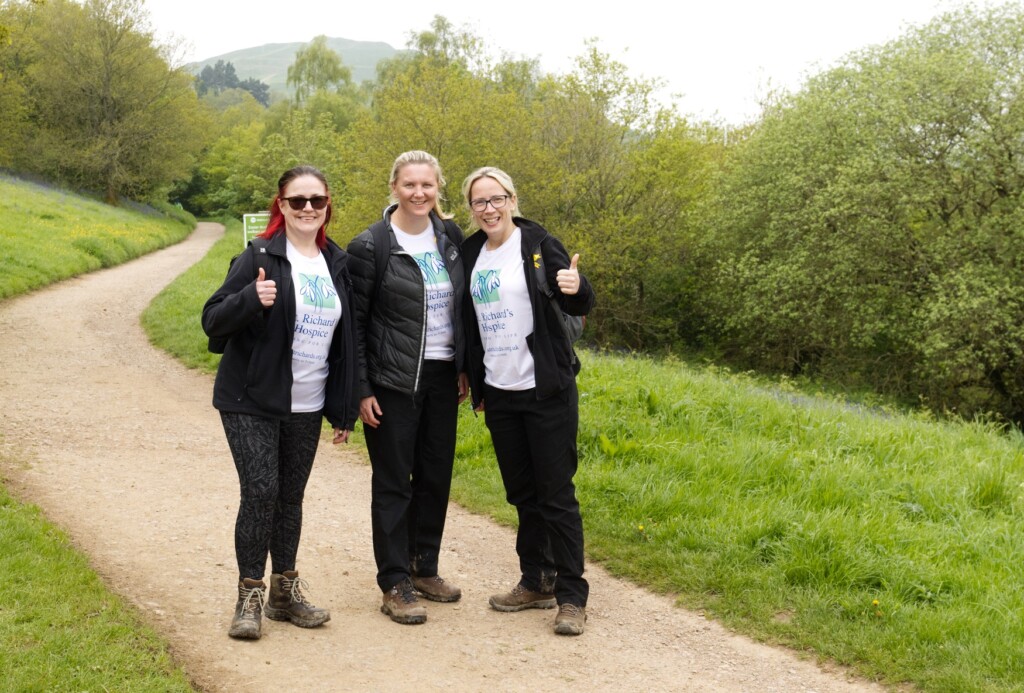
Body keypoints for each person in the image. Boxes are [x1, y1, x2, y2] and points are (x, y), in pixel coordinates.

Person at [202, 165, 358, 640]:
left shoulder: (337, 261)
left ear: (327, 205)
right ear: (281, 206)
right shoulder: (258, 256)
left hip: (307, 402)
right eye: (297, 201)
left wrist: (344, 406)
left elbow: (348, 339)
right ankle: (249, 594)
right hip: (251, 399)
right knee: (262, 491)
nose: (307, 208)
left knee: (290, 497)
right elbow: (212, 320)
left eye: (316, 200)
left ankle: (284, 594)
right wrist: (251, 297)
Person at [460, 166, 595, 636]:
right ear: (471, 209)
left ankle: (572, 597)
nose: (489, 208)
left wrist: (578, 289)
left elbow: (577, 301)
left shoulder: (538, 245)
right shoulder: (470, 251)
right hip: (499, 393)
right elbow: (467, 321)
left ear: (512, 199)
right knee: (522, 494)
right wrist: (472, 379)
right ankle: (536, 579)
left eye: (496, 199)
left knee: (556, 495)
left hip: (546, 391)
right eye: (479, 202)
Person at [347, 150, 468, 625]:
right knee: (395, 483)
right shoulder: (371, 245)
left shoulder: (450, 237)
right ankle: (394, 581)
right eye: (410, 185)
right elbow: (354, 324)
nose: (419, 193)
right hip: (392, 381)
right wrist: (361, 388)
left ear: (439, 188)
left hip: (442, 376)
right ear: (394, 187)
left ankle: (424, 568)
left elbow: (461, 310)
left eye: (428, 185)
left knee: (435, 477)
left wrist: (463, 367)